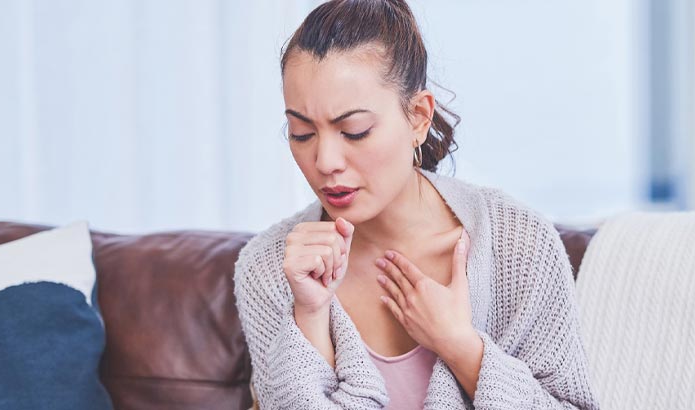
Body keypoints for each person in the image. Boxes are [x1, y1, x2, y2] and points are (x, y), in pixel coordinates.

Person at [234, 0, 600, 408]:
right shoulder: (268, 270)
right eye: (302, 133)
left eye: (354, 131)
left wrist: (463, 349)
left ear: (419, 118)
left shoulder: (518, 246)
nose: (325, 162)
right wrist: (310, 317)